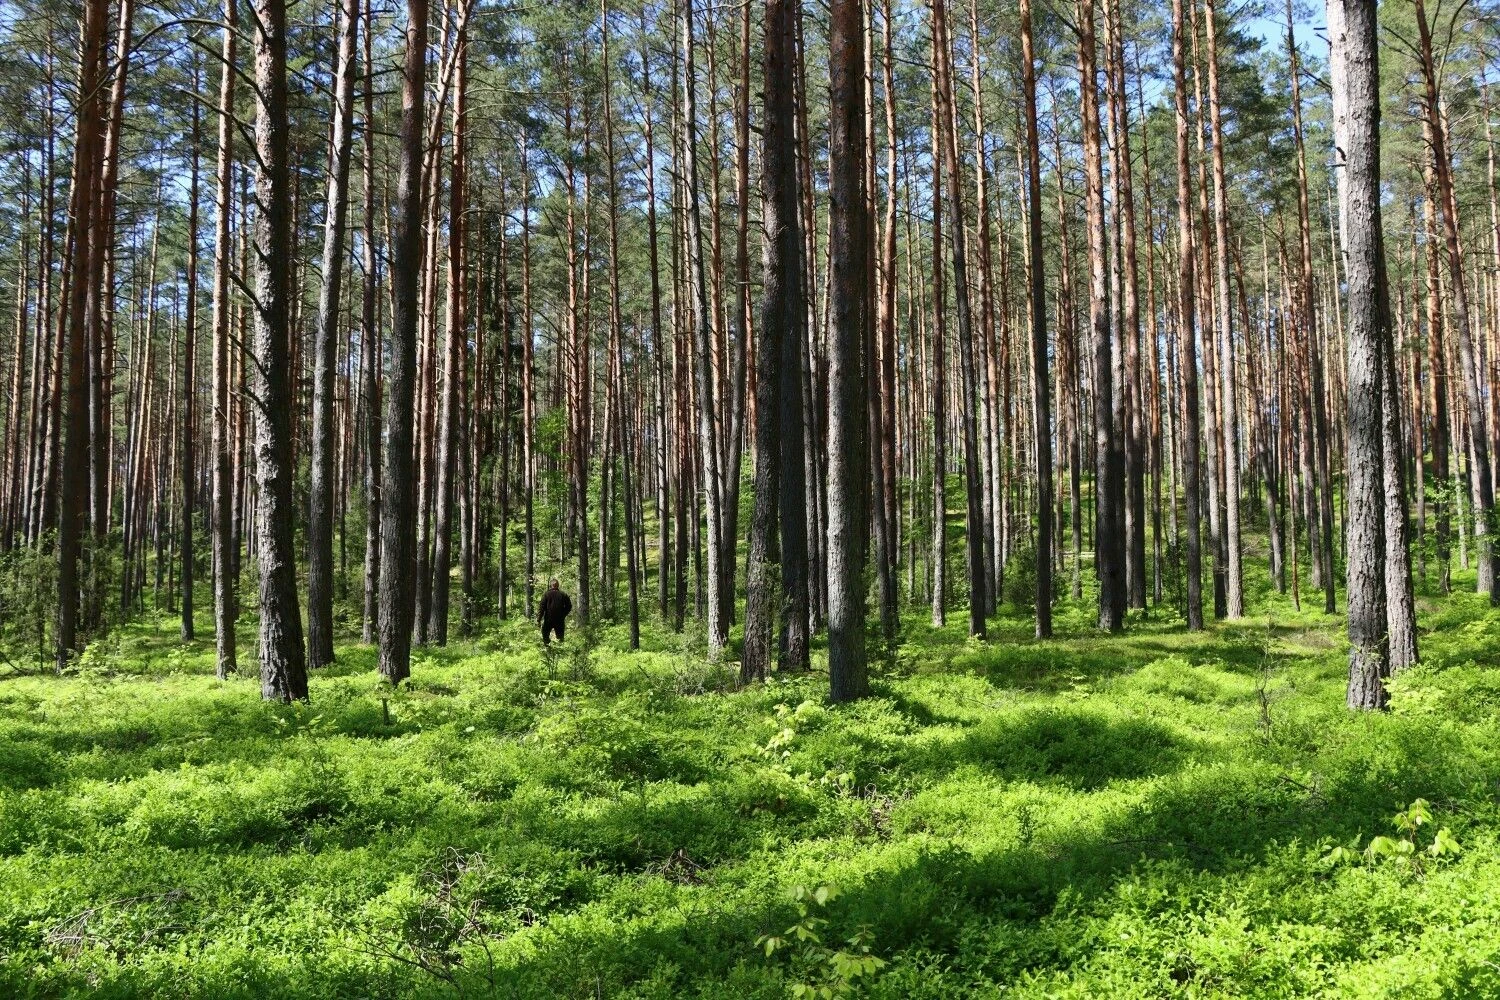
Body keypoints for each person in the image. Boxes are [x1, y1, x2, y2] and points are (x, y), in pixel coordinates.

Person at [538, 579, 572, 645]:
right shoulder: (563, 594)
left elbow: (541, 608)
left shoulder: (546, 594)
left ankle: (548, 648)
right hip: (559, 620)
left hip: (548, 619)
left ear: (551, 585)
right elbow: (569, 606)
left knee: (545, 635)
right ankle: (560, 651)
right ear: (558, 585)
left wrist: (538, 619)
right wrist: (563, 614)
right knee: (560, 637)